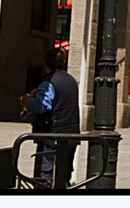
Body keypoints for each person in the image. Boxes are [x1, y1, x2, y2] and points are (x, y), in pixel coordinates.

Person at [21, 49, 81, 188]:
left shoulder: (48, 82)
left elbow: (42, 106)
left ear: (45, 64)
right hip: (70, 134)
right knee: (63, 174)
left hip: (51, 135)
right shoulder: (70, 80)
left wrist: (27, 100)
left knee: (44, 176)